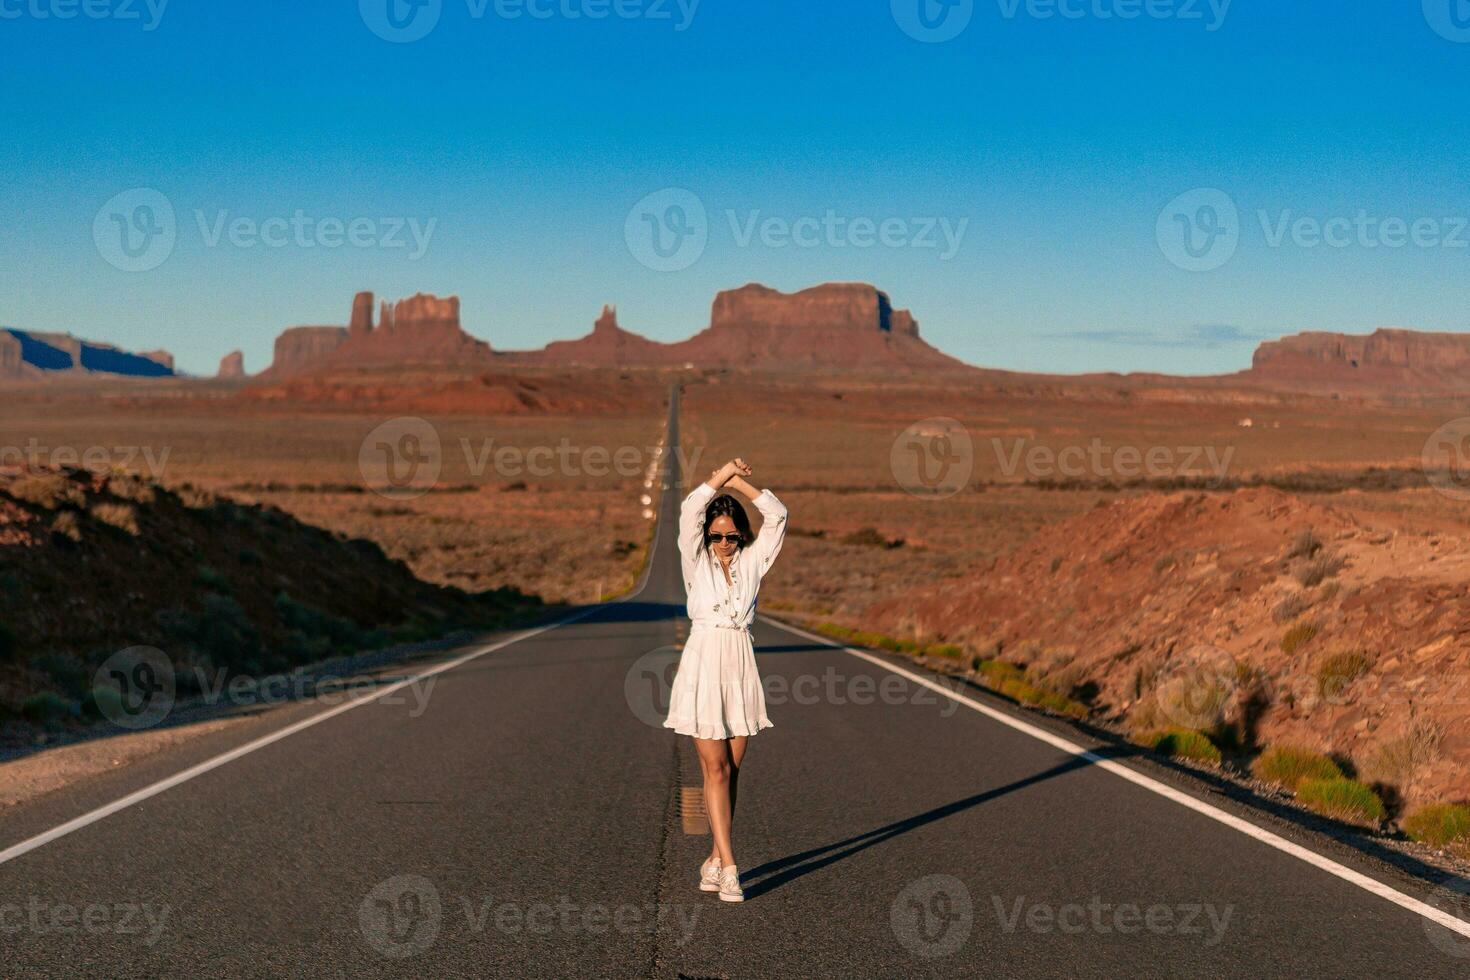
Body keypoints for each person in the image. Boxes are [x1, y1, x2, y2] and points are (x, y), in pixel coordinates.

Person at [664, 456, 788, 904]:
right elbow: (689, 511)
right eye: (715, 535)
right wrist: (720, 476)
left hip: (740, 664)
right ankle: (732, 868)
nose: (722, 542)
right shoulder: (694, 561)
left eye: (730, 535)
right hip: (703, 663)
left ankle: (714, 859)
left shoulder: (755, 562)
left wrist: (742, 487)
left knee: (731, 770)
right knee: (713, 768)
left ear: (741, 534)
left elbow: (778, 515)